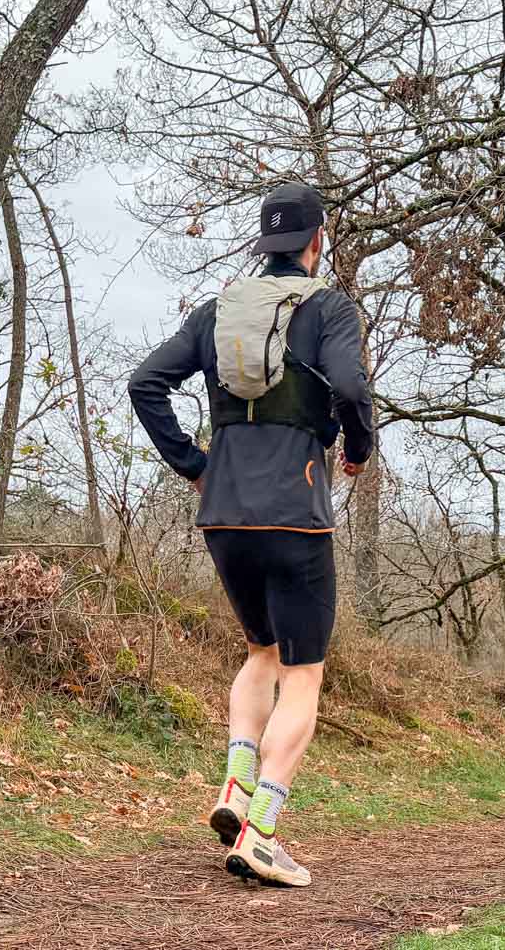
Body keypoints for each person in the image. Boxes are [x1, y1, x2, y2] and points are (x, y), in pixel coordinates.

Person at [128, 182, 374, 887]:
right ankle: (262, 830)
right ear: (317, 242)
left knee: (258, 652)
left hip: (224, 515)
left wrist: (194, 465)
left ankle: (235, 787)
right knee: (303, 674)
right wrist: (357, 449)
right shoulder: (327, 307)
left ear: (264, 244)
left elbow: (147, 383)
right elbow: (352, 391)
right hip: (294, 514)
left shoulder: (216, 312)